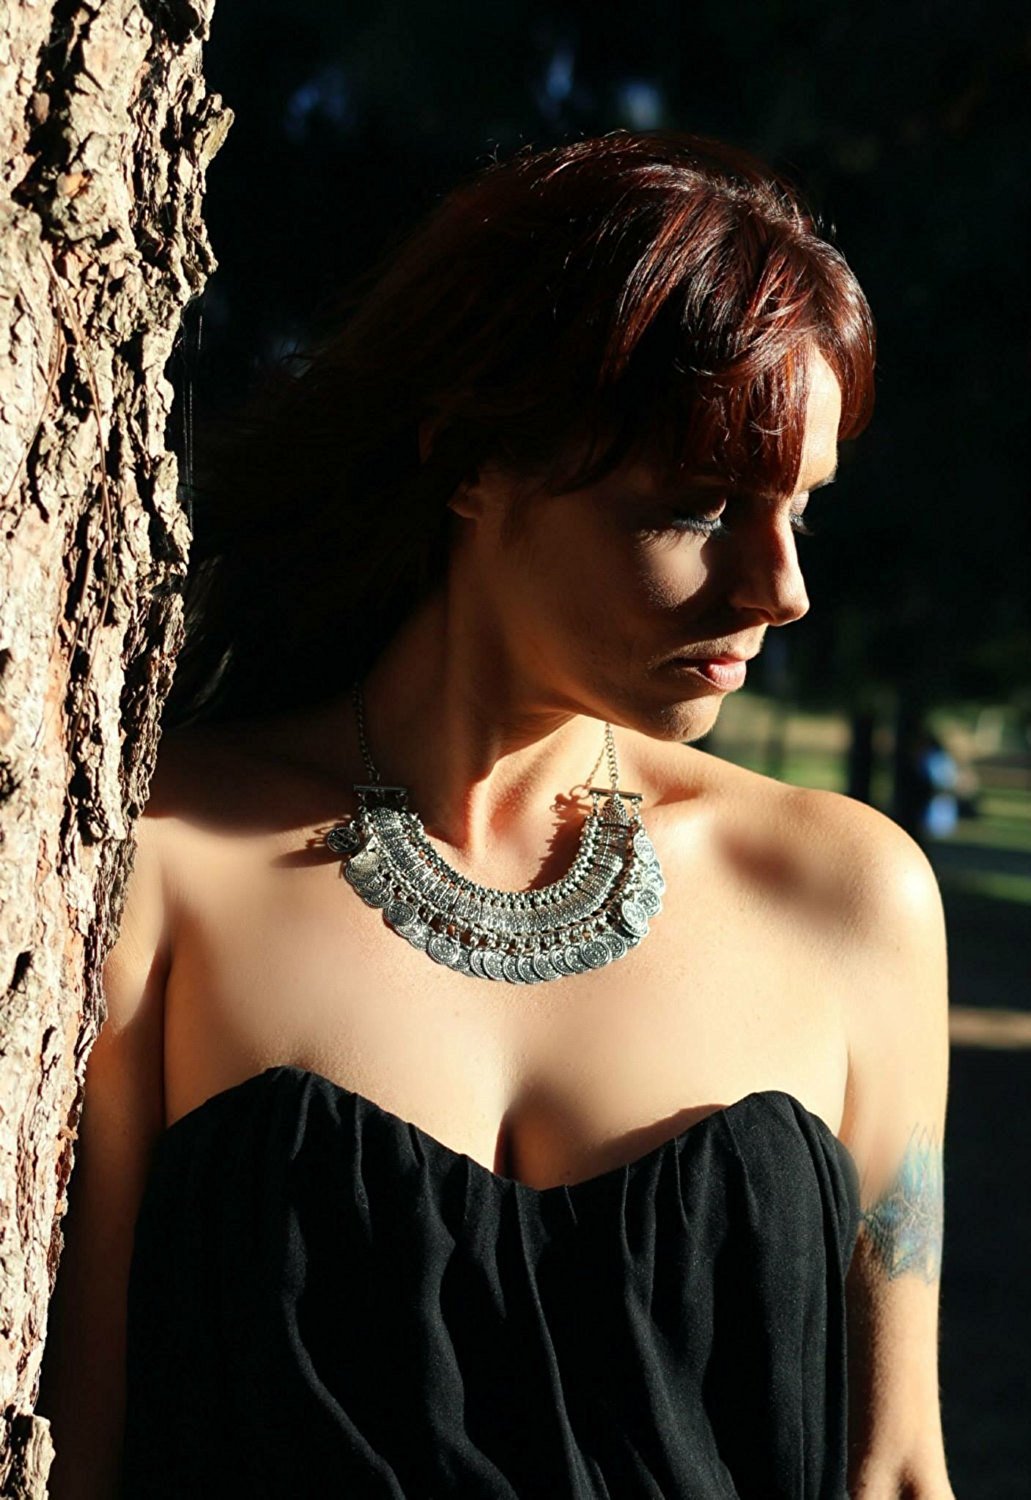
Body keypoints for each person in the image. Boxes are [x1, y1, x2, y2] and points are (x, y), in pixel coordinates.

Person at [37, 131, 954, 1498]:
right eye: (698, 508)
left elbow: (897, 1469)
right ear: (470, 459)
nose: (781, 588)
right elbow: (79, 1452)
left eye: (799, 511)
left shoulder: (848, 900)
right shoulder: (160, 863)